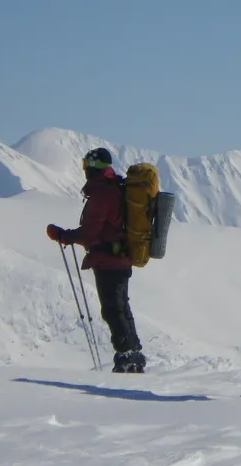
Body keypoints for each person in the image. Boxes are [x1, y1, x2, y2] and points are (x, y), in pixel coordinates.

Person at [46, 147, 146, 374]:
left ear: (92, 167)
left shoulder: (102, 194)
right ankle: (134, 353)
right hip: (121, 257)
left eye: (85, 165)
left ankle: (126, 356)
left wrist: (63, 236)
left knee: (112, 309)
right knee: (121, 307)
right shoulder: (114, 188)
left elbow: (90, 232)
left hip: (108, 259)